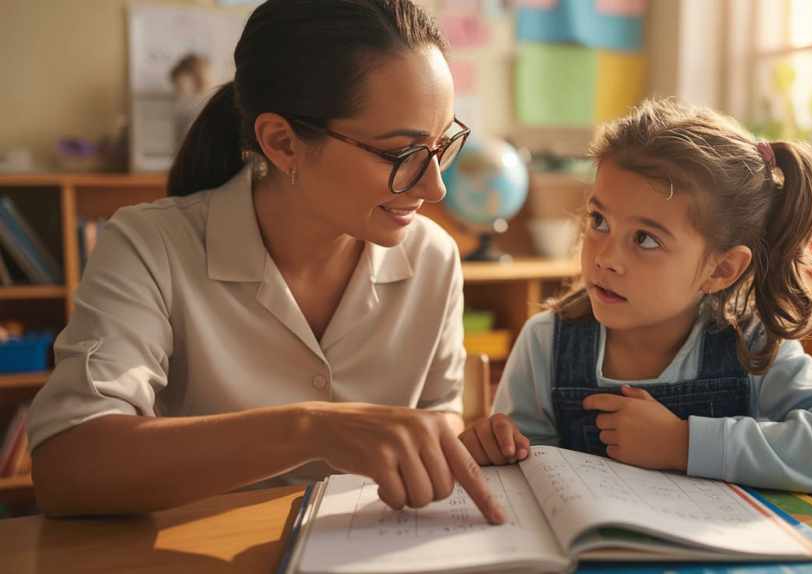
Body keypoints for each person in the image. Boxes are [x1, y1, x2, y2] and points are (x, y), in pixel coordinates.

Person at [29, 0, 504, 524]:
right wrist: (311, 429)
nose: (435, 187)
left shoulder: (432, 257)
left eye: (443, 146)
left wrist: (460, 443)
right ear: (282, 143)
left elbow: (441, 416)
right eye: (401, 154)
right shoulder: (150, 245)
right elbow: (67, 466)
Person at [460, 99, 812, 494]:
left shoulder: (753, 347)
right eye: (599, 221)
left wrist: (684, 444)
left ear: (721, 269)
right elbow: (522, 476)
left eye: (646, 240)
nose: (606, 258)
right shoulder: (545, 344)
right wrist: (495, 447)